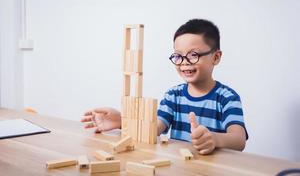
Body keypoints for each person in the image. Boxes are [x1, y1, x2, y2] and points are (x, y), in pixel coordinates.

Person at [81, 19, 248, 155]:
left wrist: (214, 139)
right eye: (178, 56)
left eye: (193, 55)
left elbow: (239, 140)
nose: (184, 63)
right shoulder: (173, 96)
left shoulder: (227, 97)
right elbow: (155, 129)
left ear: (216, 57)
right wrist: (122, 121)